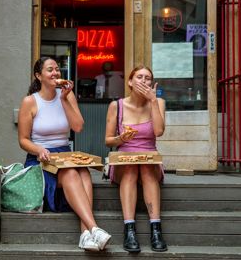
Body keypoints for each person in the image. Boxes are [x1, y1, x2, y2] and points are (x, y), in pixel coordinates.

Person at [18, 56, 111, 252]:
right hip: (40, 158)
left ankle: (85, 234)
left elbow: (78, 127)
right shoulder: (30, 101)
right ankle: (93, 228)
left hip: (64, 155)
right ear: (38, 75)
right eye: (50, 69)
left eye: (58, 69)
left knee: (84, 172)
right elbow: (23, 140)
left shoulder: (67, 96)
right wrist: (39, 149)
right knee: (71, 174)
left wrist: (64, 99)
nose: (56, 73)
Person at [105, 65, 167, 253]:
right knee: (132, 167)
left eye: (148, 78)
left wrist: (153, 101)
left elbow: (159, 131)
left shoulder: (159, 102)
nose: (144, 81)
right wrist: (120, 139)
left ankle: (156, 229)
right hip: (124, 160)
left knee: (146, 167)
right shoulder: (117, 106)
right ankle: (129, 229)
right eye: (139, 77)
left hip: (150, 157)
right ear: (130, 82)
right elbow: (108, 141)